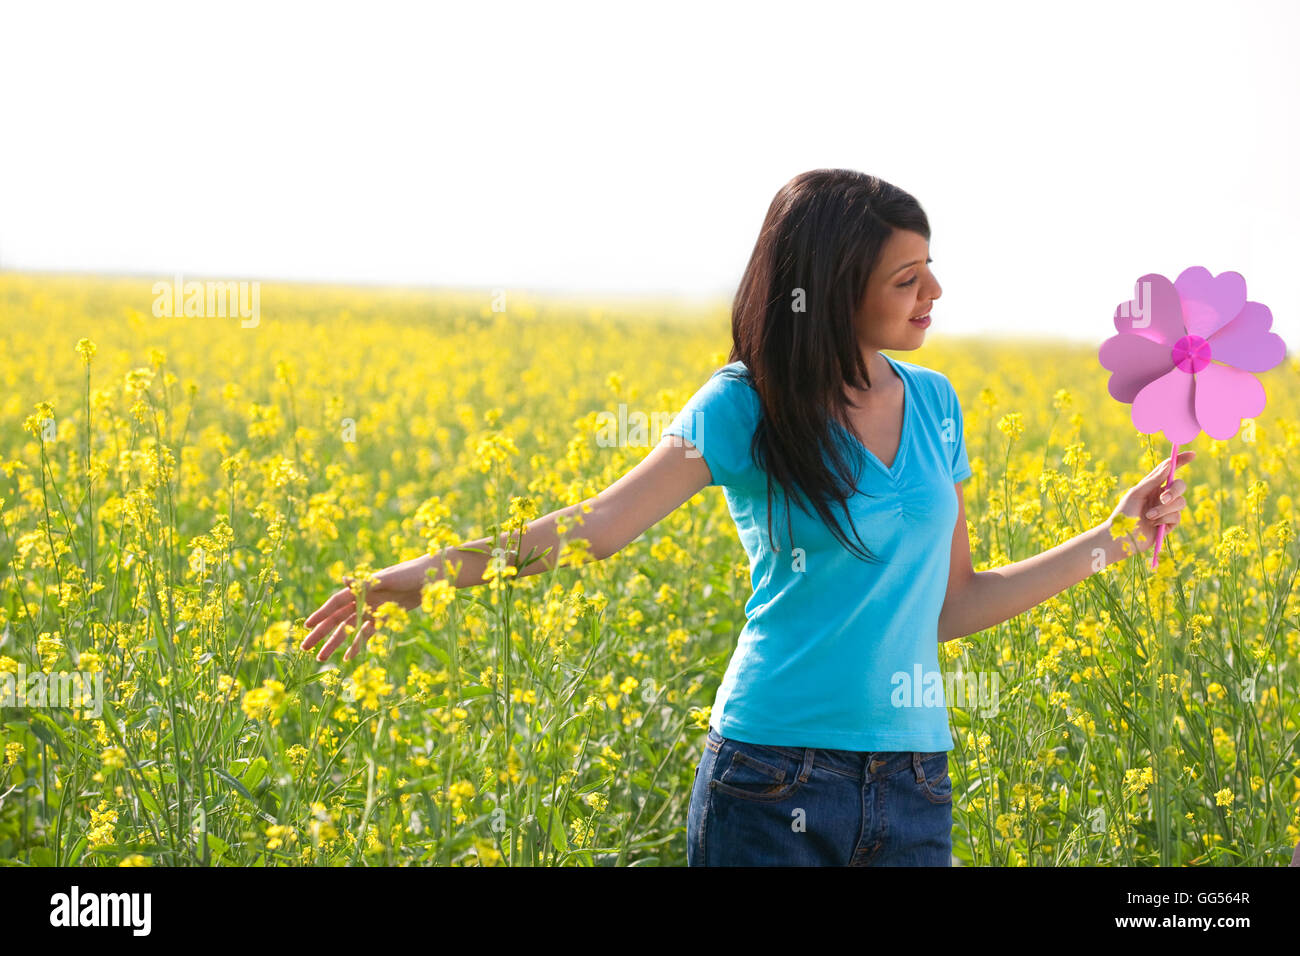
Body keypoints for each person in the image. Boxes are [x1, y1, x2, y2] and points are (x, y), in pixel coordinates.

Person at [299, 168, 1193, 867]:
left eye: (932, 270)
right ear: (838, 286)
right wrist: (413, 580)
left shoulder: (936, 403)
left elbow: (951, 604)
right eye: (909, 277)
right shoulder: (744, 405)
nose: (937, 293)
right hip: (770, 777)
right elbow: (595, 526)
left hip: (916, 781)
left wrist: (1109, 538)